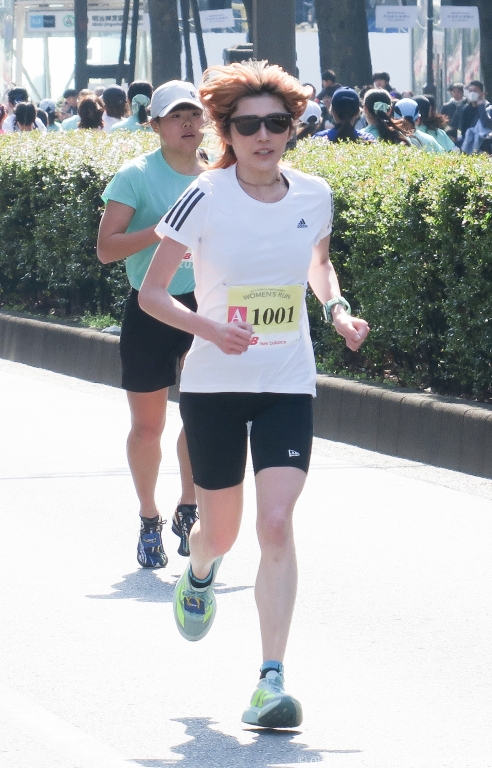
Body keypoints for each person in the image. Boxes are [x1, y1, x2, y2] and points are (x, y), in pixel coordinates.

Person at [139, 60, 370, 728]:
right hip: (214, 385)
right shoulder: (204, 197)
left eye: (277, 123)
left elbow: (317, 264)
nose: (264, 135)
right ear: (228, 132)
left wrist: (337, 311)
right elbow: (152, 292)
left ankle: (270, 681)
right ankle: (202, 570)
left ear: (293, 128)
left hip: (286, 381)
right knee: (222, 533)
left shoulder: (313, 194)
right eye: (249, 125)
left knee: (276, 523)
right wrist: (206, 326)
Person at [97, 81, 205, 568]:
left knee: (202, 416)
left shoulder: (219, 177)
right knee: (149, 425)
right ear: (155, 124)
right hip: (149, 307)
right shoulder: (136, 176)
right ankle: (148, 518)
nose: (187, 124)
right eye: (175, 117)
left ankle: (189, 505)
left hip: (206, 309)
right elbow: (106, 249)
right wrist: (161, 231)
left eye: (194, 116)